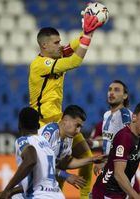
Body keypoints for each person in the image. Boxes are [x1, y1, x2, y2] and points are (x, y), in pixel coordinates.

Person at [28, 14, 104, 199]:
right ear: (44, 46)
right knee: (55, 165)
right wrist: (87, 36)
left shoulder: (57, 54)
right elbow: (75, 61)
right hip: (43, 123)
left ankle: (85, 197)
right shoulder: (40, 65)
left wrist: (89, 32)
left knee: (86, 157)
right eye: (56, 42)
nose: (60, 45)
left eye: (59, 42)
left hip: (60, 120)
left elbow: (73, 45)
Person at [87, 80, 140, 196]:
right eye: (109, 90)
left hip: (119, 171)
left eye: (116, 90)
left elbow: (131, 144)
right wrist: (93, 143)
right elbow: (108, 140)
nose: (111, 93)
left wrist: (105, 162)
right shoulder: (107, 115)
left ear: (125, 96)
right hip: (109, 170)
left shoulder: (126, 116)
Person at [0, 107, 65, 199]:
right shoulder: (46, 144)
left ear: (19, 125)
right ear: (38, 126)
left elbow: (31, 160)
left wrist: (7, 190)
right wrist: (9, 192)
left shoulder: (23, 141)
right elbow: (38, 181)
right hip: (57, 195)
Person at [38, 105, 106, 189]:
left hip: (44, 182)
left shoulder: (68, 137)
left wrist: (92, 159)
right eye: (77, 125)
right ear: (65, 120)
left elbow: (66, 162)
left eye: (80, 127)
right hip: (32, 181)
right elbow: (41, 165)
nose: (78, 131)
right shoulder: (49, 134)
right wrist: (66, 176)